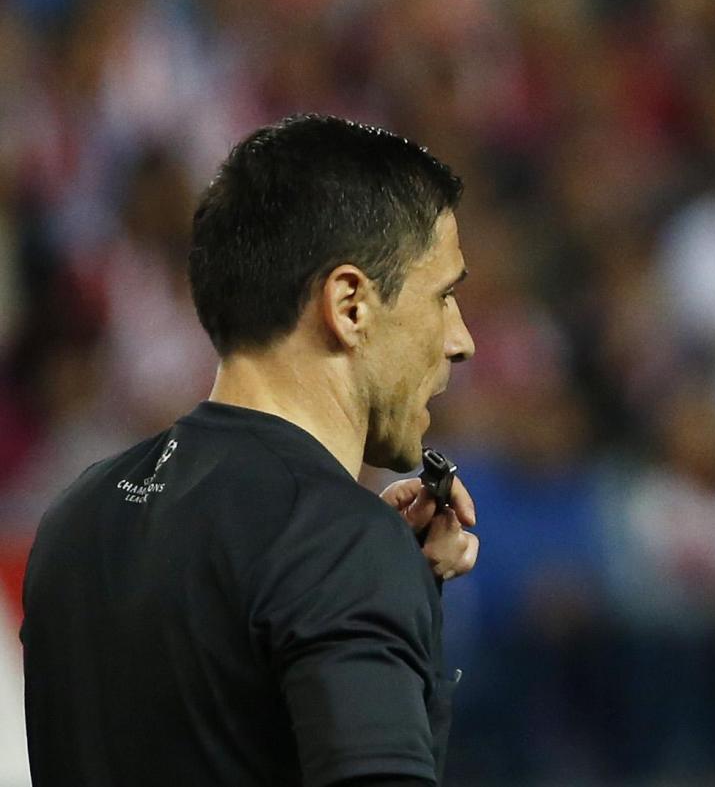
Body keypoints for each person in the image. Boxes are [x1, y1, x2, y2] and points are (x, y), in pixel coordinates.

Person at [22, 115, 480, 787]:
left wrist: (394, 588)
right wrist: (377, 574)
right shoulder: (339, 543)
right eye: (443, 296)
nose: (462, 340)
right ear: (350, 304)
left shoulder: (76, 517)